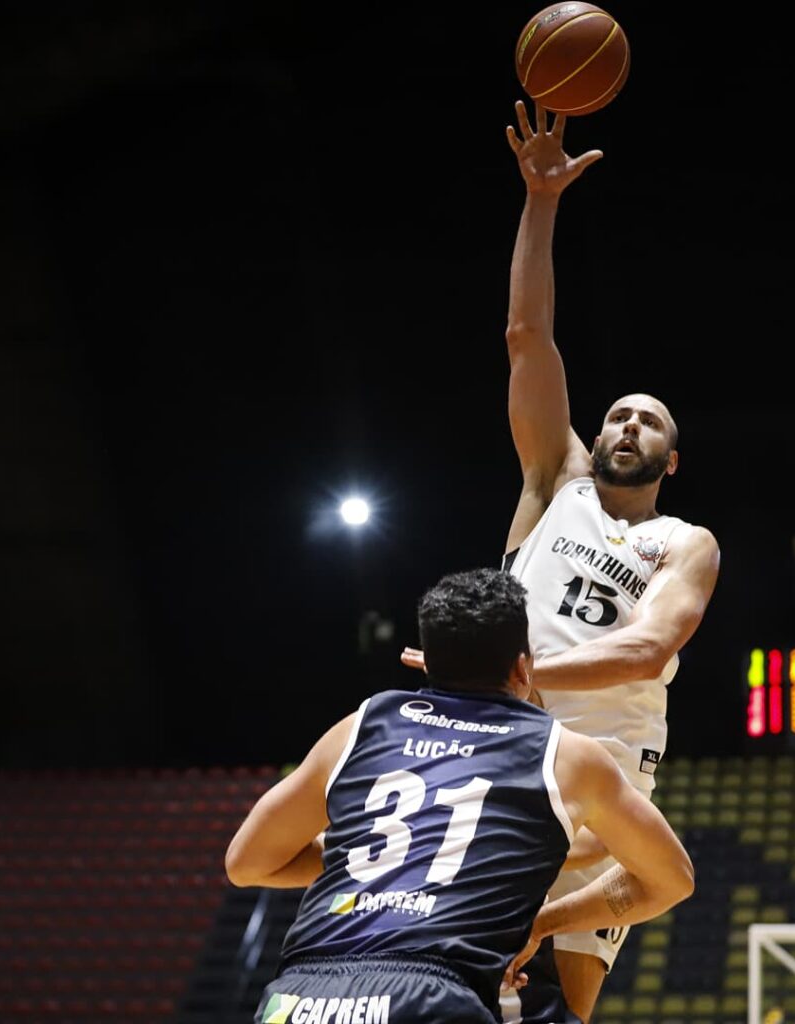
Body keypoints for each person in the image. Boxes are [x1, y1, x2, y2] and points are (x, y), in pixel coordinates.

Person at [404, 100, 722, 1023]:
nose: (626, 423)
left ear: (671, 457)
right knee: (458, 959)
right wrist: (540, 201)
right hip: (492, 738)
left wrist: (510, 675)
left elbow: (641, 650)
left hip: (604, 762)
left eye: (648, 420)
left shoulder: (684, 542)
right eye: (618, 412)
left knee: (562, 989)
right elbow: (526, 340)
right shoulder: (555, 480)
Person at [227, 567, 695, 1024]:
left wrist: (375, 856)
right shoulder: (564, 754)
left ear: (428, 661)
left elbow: (247, 863)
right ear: (523, 666)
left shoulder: (364, 724)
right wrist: (545, 923)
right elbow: (671, 878)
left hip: (299, 995)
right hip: (430, 995)